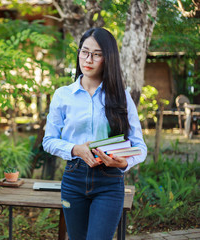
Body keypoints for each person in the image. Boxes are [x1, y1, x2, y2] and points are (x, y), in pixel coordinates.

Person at [42, 27, 147, 240]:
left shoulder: (121, 96)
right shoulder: (63, 95)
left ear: (108, 59)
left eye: (97, 54)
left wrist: (124, 163)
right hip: (73, 179)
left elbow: (140, 146)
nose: (88, 59)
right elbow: (49, 141)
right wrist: (75, 149)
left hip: (109, 181)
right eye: (84, 51)